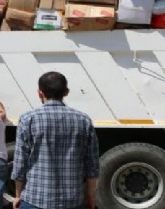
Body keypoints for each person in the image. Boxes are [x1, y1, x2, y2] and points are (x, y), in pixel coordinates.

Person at [12, 71, 99, 209]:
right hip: (73, 200)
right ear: (66, 92)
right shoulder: (84, 120)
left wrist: (18, 195)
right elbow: (92, 166)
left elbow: (20, 163)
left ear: (40, 93)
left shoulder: (28, 119)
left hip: (35, 199)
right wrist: (90, 196)